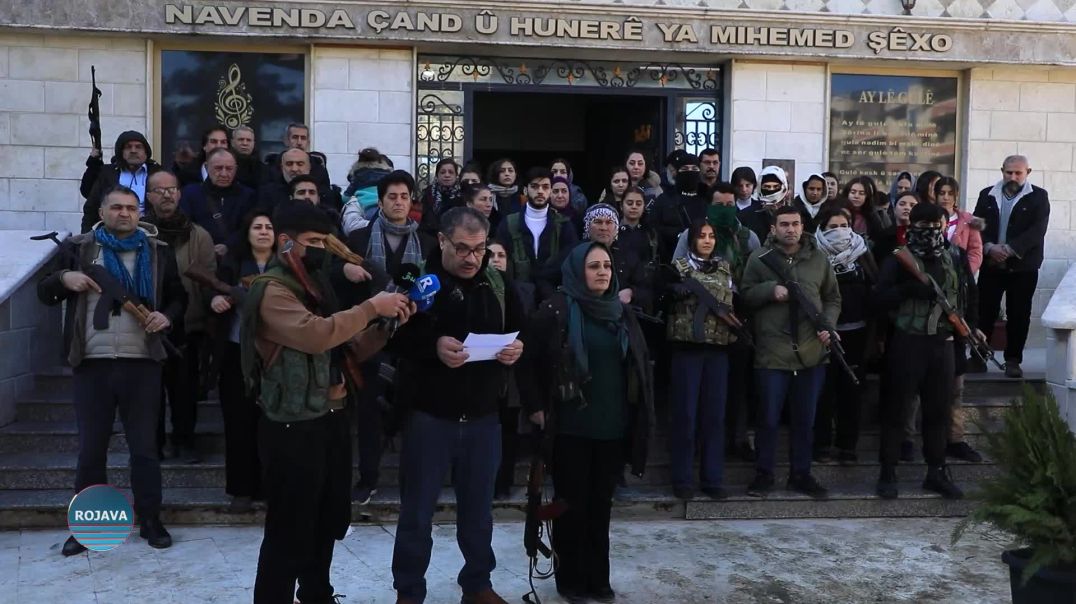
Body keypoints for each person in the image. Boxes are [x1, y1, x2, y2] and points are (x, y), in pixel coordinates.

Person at [242, 200, 413, 603]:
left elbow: (346, 349)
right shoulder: (272, 290)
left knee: (327, 521)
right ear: (285, 242)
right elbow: (317, 335)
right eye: (313, 241)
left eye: (324, 241)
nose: (320, 249)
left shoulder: (317, 286)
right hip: (292, 427)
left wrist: (386, 326)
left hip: (331, 418)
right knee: (289, 530)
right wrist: (370, 307)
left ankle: (317, 594)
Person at [38, 185, 187, 556]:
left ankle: (150, 520)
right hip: (92, 364)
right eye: (117, 207)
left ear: (140, 213)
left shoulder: (157, 251)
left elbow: (178, 297)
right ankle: (88, 527)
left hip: (142, 363)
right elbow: (44, 291)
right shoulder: (79, 249)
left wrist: (165, 316)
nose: (124, 213)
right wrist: (64, 279)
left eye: (131, 208)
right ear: (102, 212)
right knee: (91, 451)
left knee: (145, 450)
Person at [389, 207, 524, 604]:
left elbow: (523, 328)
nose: (471, 258)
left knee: (479, 513)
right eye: (462, 248)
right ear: (442, 241)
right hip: (429, 416)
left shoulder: (497, 282)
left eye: (480, 249)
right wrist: (432, 346)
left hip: (483, 416)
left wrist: (517, 348)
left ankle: (478, 585)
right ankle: (409, 591)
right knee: (417, 514)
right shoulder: (416, 282)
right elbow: (392, 337)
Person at [519, 241, 653, 604]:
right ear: (578, 270)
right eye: (594, 266)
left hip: (612, 426)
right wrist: (535, 406)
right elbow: (527, 361)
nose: (602, 272)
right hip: (570, 427)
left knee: (601, 506)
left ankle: (598, 579)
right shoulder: (556, 309)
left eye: (606, 266)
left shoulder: (621, 313)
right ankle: (571, 579)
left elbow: (638, 364)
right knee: (572, 505)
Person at [872, 202, 980, 500]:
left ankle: (936, 471)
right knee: (897, 410)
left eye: (936, 226)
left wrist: (968, 334)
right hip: (908, 342)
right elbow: (878, 300)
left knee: (938, 413)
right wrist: (906, 290)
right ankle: (888, 471)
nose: (931, 232)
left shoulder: (955, 256)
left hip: (943, 344)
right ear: (912, 227)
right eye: (924, 226)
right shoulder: (898, 259)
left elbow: (969, 296)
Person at [741, 205, 841, 499]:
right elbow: (744, 295)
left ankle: (801, 474)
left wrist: (828, 325)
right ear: (773, 228)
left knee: (805, 420)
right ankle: (764, 474)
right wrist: (769, 290)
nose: (791, 229)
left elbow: (832, 297)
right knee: (768, 419)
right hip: (772, 353)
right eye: (784, 224)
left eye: (795, 224)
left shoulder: (818, 259)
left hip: (811, 352)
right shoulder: (759, 258)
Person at [672, 183, 760, 460]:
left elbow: (755, 275)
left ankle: (737, 440)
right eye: (719, 205)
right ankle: (698, 446)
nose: (725, 210)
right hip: (696, 326)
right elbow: (678, 271)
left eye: (730, 205)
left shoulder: (747, 237)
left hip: (735, 320)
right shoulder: (690, 235)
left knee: (736, 388)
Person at [144, 170, 216, 464]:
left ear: (180, 194)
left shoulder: (198, 235)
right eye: (159, 190)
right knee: (150, 393)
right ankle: (154, 444)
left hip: (188, 325)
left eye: (171, 189)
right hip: (146, 326)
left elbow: (209, 281)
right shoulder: (139, 233)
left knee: (184, 391)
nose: (166, 195)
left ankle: (185, 441)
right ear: (149, 196)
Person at [665, 219, 738, 500]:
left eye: (711, 236)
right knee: (685, 416)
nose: (707, 241)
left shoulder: (725, 269)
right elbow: (662, 298)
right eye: (701, 236)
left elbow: (734, 303)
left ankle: (712, 478)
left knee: (714, 417)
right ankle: (682, 478)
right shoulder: (678, 267)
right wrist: (674, 291)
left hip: (718, 349)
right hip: (687, 349)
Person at [209, 209, 274, 513]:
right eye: (257, 227)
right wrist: (216, 300)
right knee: (238, 423)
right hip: (237, 351)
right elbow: (211, 295)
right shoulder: (231, 265)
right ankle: (241, 489)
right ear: (247, 233)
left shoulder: (287, 266)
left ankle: (271, 486)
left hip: (275, 353)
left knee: (273, 424)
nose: (263, 232)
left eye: (268, 227)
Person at [972, 155, 1050, 379]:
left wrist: (1009, 249)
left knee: (1019, 314)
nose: (1013, 177)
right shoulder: (987, 195)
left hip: (1023, 267)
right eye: (1009, 172)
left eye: (1018, 173)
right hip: (991, 265)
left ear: (1028, 172)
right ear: (1002, 171)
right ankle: (978, 357)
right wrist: (988, 247)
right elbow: (977, 225)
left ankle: (1013, 360)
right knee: (984, 312)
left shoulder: (1038, 197)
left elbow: (1037, 230)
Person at [811, 206, 877, 464]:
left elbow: (874, 285)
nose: (839, 231)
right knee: (823, 391)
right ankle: (821, 444)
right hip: (823, 334)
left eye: (844, 226)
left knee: (852, 391)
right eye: (833, 227)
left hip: (857, 333)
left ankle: (848, 445)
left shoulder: (862, 251)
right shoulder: (814, 254)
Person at [932, 177, 986, 463]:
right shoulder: (918, 247)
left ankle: (955, 439)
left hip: (957, 318)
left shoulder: (966, 227)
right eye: (940, 192)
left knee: (956, 387)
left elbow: (973, 291)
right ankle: (911, 440)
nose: (945, 197)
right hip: (930, 325)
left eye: (949, 193)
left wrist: (972, 325)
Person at [495, 167, 579, 303]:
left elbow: (570, 260)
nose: (540, 191)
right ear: (525, 190)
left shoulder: (564, 224)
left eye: (545, 187)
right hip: (516, 298)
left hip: (553, 299)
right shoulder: (509, 223)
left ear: (550, 191)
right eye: (534, 186)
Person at [345, 170, 436, 287]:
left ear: (410, 203)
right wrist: (346, 268)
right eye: (392, 197)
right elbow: (335, 267)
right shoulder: (359, 238)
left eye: (404, 197)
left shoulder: (426, 242)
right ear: (380, 203)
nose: (399, 202)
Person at [179, 148, 258, 257]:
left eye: (229, 169)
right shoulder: (190, 193)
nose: (224, 174)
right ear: (207, 167)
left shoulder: (248, 196)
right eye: (218, 168)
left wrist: (229, 246)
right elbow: (185, 226)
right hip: (199, 257)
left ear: (236, 169)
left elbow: (248, 228)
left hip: (237, 258)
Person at [81, 131, 163, 231]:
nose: (133, 151)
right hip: (111, 232)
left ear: (146, 152)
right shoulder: (107, 173)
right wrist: (86, 236)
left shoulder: (158, 173)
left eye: (138, 147)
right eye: (128, 147)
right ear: (121, 152)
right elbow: (90, 203)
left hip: (149, 232)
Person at [584, 203, 654, 313]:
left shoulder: (628, 255)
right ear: (588, 226)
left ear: (616, 228)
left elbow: (647, 291)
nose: (603, 228)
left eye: (609, 222)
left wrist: (632, 293)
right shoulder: (574, 254)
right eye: (598, 222)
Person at [652, 153, 706, 261]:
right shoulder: (664, 199)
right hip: (669, 259)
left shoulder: (707, 198)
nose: (690, 172)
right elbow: (654, 228)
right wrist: (678, 234)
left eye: (694, 169)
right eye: (685, 169)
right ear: (677, 172)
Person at [262, 122, 333, 192]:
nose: (299, 142)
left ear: (308, 142)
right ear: (286, 141)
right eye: (295, 137)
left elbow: (326, 193)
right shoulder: (272, 165)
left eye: (303, 138)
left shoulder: (318, 166)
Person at [342, 147, 394, 235]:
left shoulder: (358, 175)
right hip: (385, 206)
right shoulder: (387, 173)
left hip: (367, 207)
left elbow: (346, 197)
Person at [738, 165, 789, 244]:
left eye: (776, 186)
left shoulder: (794, 214)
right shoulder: (746, 215)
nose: (771, 190)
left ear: (783, 187)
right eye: (767, 187)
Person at [419, 158, 462, 223]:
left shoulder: (462, 195)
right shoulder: (428, 194)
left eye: (451, 172)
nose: (447, 175)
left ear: (456, 176)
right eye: (442, 172)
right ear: (437, 175)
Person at [231, 125, 263, 190]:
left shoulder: (264, 170)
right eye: (241, 139)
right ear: (232, 143)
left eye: (248, 140)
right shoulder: (225, 167)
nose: (245, 143)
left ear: (254, 143)